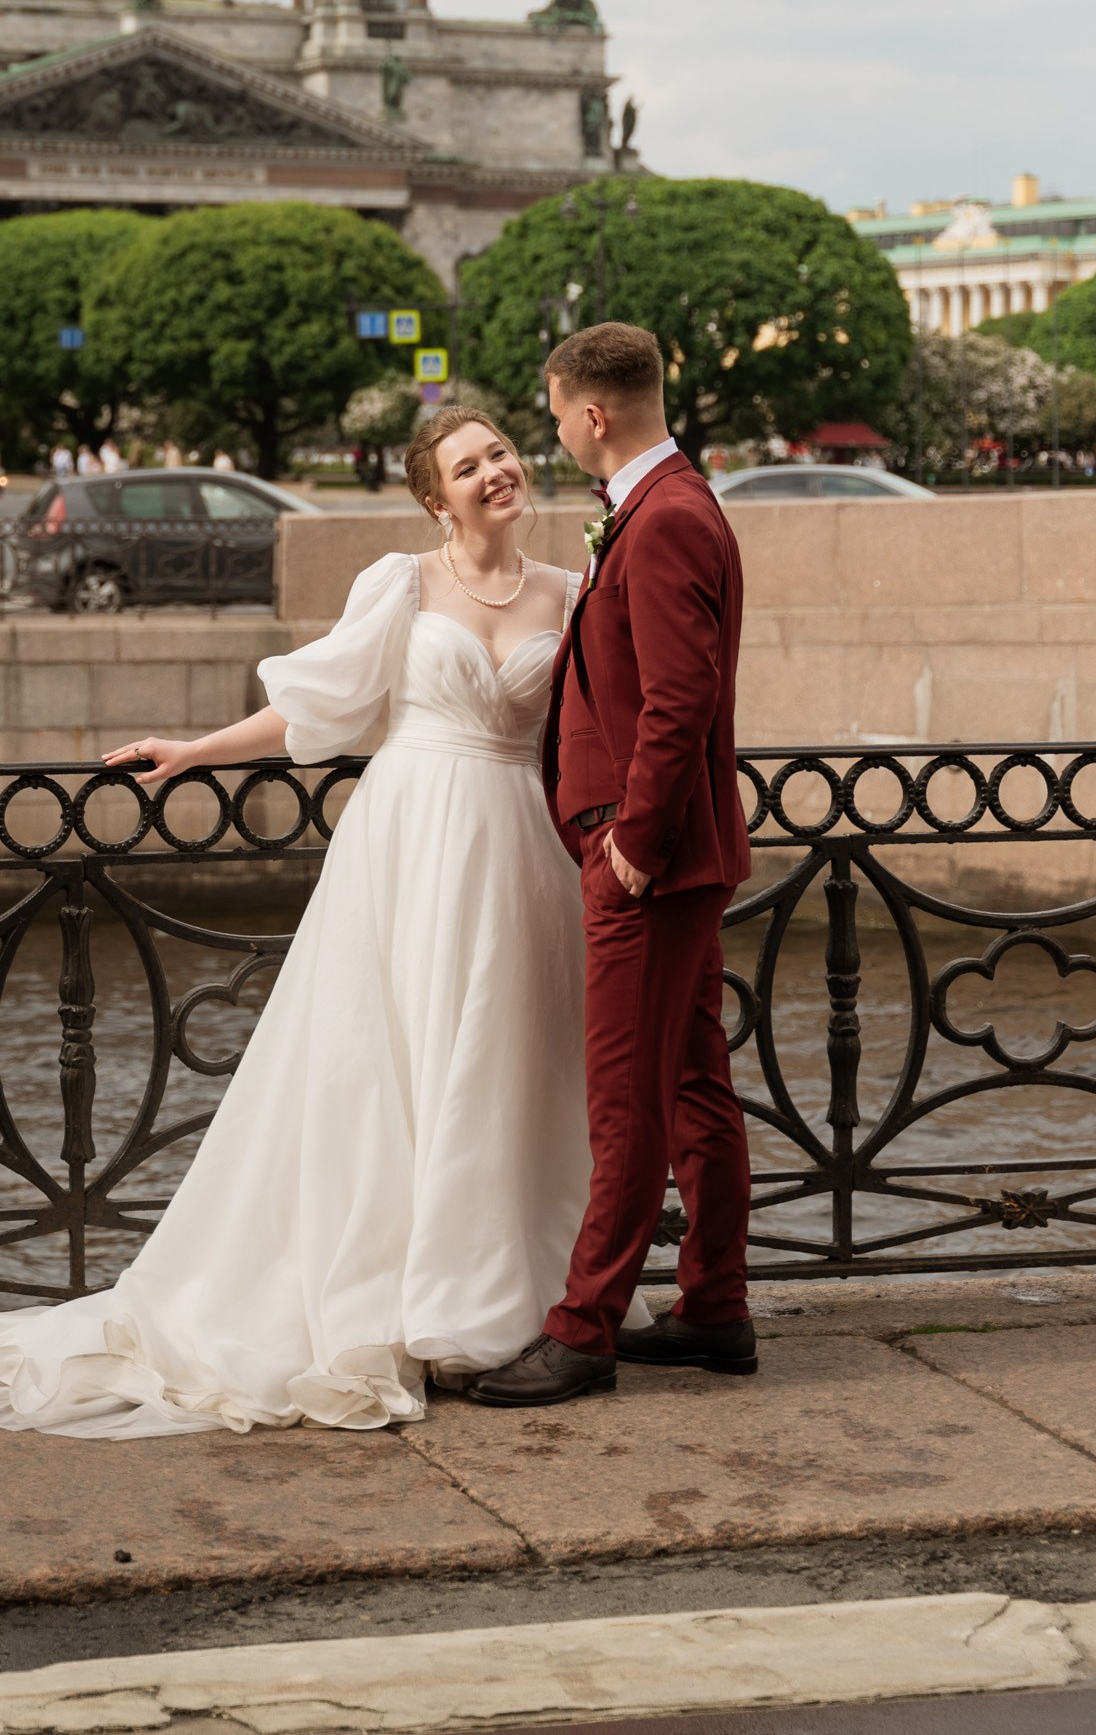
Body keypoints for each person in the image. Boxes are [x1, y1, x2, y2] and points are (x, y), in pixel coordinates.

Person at [0, 402, 642, 1437]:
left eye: (498, 451)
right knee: (393, 1067)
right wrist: (194, 750)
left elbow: (601, 729)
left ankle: (495, 1303)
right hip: (409, 845)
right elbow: (316, 705)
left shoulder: (570, 590)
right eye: (467, 466)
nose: (494, 471)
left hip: (520, 853)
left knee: (505, 1068)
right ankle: (398, 1297)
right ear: (434, 498)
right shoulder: (402, 584)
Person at [469, 323, 752, 1408]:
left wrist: (631, 842)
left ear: (591, 414)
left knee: (625, 1100)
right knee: (690, 1083)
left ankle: (583, 1329)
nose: (552, 431)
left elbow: (680, 698)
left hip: (650, 858)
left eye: (553, 414)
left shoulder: (666, 514)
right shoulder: (665, 501)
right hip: (671, 853)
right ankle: (714, 1307)